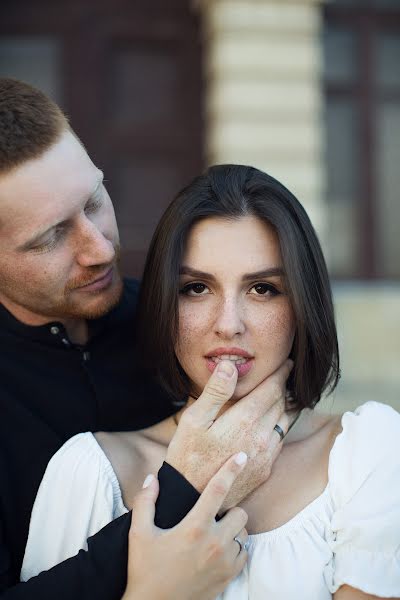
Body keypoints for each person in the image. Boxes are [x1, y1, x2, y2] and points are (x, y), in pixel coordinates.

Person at [21, 165, 400, 598]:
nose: (228, 324)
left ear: (302, 305)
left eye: (262, 289)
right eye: (197, 288)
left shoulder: (369, 453)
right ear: (164, 300)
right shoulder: (90, 471)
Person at [0, 79, 292, 598]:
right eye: (50, 238)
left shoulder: (179, 322)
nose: (100, 249)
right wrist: (180, 494)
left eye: (93, 202)